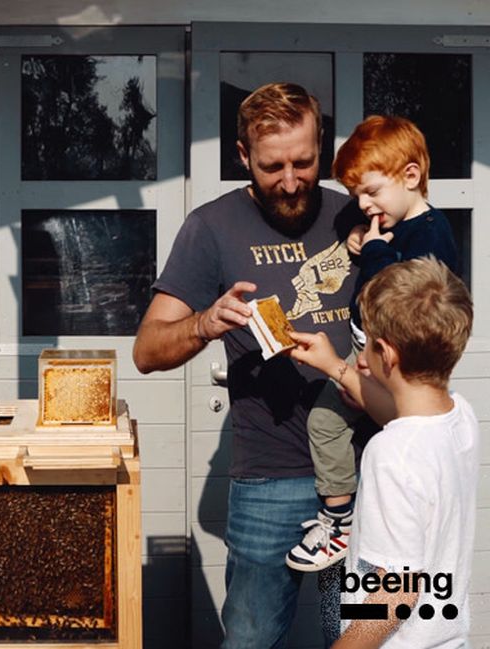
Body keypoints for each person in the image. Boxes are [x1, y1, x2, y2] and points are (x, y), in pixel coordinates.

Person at [133, 82, 364, 647]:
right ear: (243, 157)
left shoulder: (359, 214)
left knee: (368, 630)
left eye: (305, 163)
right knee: (250, 639)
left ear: (322, 149)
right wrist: (204, 323)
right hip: (269, 481)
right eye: (272, 166)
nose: (290, 181)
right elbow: (146, 350)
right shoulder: (211, 227)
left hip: (369, 472)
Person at [285, 116, 459, 572]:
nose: (364, 205)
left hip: (392, 360)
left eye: (372, 192)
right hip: (373, 355)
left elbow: (409, 293)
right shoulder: (401, 226)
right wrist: (364, 241)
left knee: (326, 420)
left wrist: (378, 252)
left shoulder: (431, 234)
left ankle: (339, 521)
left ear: (411, 176)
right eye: (356, 196)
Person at [289, 256, 477, 648]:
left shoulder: (391, 453)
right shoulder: (459, 414)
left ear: (386, 355)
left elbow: (397, 593)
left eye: (366, 342)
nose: (359, 356)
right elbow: (402, 411)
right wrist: (334, 367)